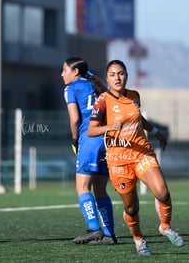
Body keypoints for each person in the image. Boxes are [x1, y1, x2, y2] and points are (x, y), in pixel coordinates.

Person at [88, 59, 184, 255]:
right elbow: (91, 130)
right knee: (132, 208)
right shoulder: (102, 101)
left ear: (127, 75)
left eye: (121, 73)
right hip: (118, 162)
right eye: (113, 74)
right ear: (107, 78)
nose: (117, 77)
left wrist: (156, 132)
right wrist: (109, 127)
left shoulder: (134, 96)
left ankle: (165, 227)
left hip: (141, 153)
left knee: (163, 192)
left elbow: (138, 118)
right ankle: (139, 240)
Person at [61, 57, 116, 244]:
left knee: (82, 187)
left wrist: (75, 140)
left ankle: (94, 229)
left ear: (75, 72)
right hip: (106, 139)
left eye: (64, 70)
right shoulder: (97, 85)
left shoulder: (70, 88)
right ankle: (109, 234)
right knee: (100, 189)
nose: (62, 74)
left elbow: (75, 119)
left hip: (90, 139)